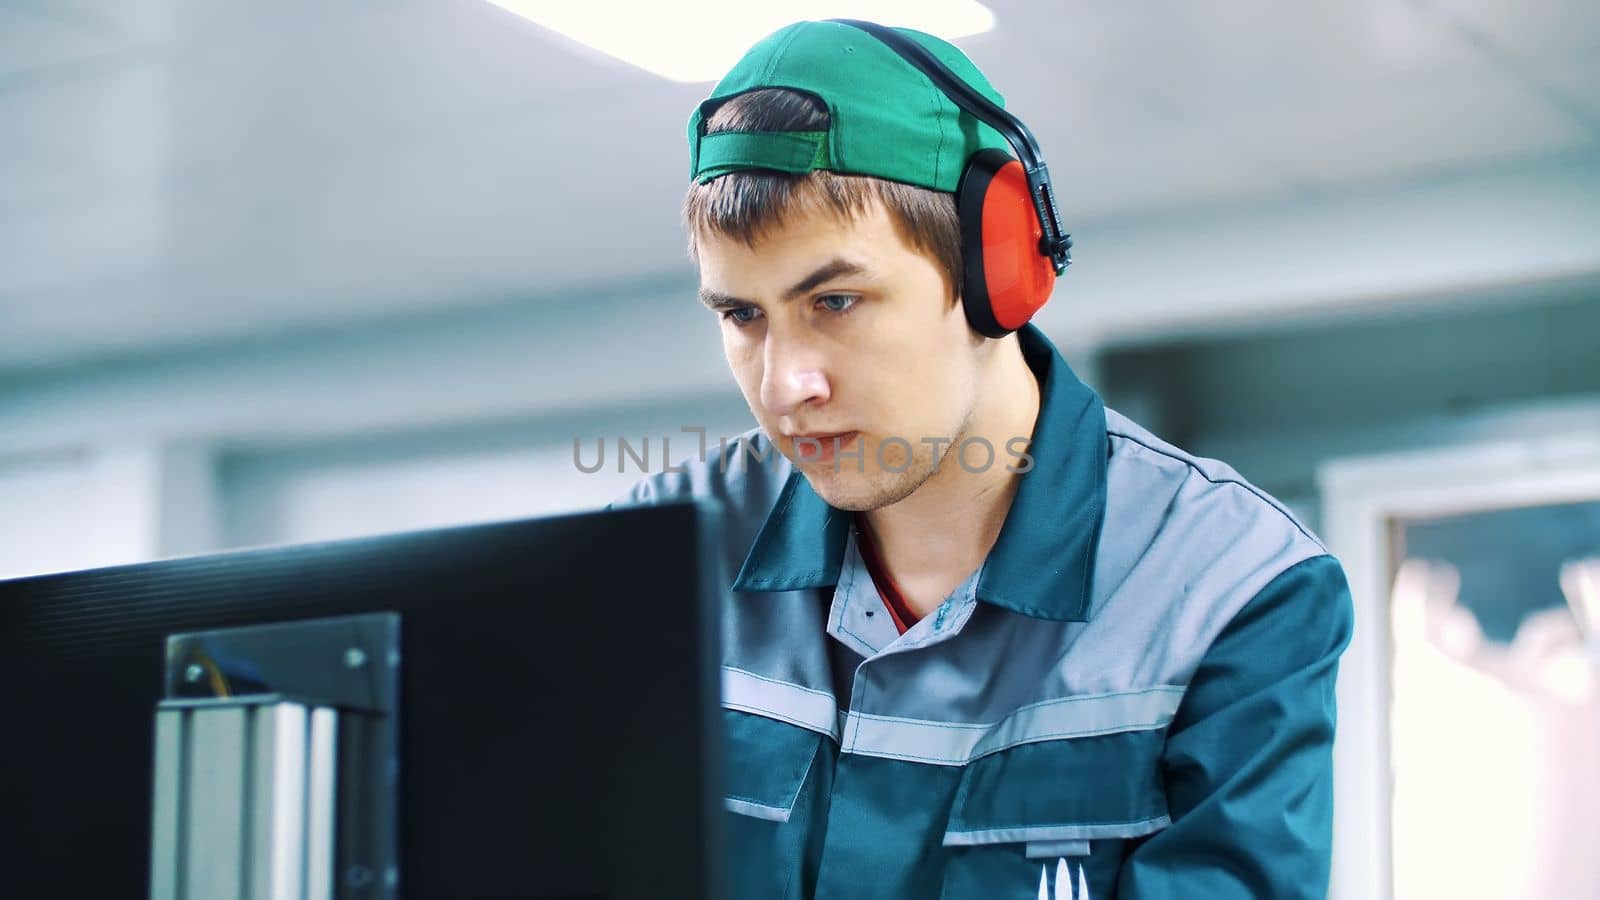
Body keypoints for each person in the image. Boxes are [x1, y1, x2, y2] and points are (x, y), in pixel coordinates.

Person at [610, 19, 1353, 900]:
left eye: (836, 300)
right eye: (742, 317)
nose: (785, 384)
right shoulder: (652, 558)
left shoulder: (1234, 590)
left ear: (995, 273)